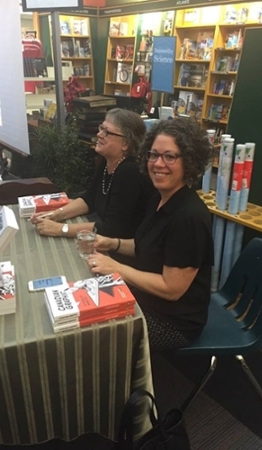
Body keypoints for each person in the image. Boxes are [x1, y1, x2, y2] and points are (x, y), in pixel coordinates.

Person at [87, 118, 214, 352]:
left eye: (169, 156)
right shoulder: (159, 197)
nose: (158, 164)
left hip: (174, 323)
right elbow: (145, 245)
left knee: (94, 334)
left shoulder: (189, 218)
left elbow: (171, 289)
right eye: (153, 155)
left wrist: (116, 268)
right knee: (86, 304)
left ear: (190, 161)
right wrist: (111, 243)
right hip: (147, 300)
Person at [30, 108, 155, 239]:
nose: (99, 134)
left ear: (126, 143)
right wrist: (54, 215)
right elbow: (89, 200)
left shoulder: (129, 172)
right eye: (101, 128)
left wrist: (62, 229)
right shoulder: (109, 161)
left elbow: (112, 229)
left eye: (107, 132)